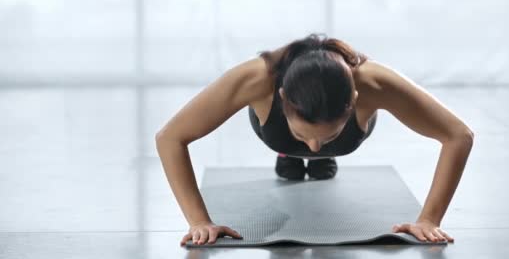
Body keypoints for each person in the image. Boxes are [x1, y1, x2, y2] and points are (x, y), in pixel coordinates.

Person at [155, 33, 474, 247]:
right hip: (275, 133)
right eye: (303, 136)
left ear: (355, 99)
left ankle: (316, 140)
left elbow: (459, 135)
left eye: (327, 136)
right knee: (298, 151)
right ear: (281, 98)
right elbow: (170, 137)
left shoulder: (377, 82)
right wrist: (198, 221)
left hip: (342, 128)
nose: (314, 148)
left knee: (319, 150)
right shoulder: (255, 79)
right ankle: (289, 150)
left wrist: (430, 219)